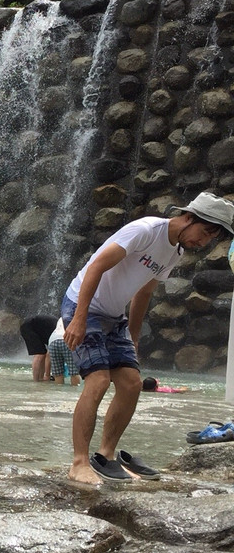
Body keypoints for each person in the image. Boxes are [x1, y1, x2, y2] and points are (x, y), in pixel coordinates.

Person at [62, 192, 234, 484]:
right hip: (84, 304)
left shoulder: (175, 251)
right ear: (188, 218)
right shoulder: (144, 231)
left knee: (131, 384)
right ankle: (79, 462)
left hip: (115, 316)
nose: (203, 243)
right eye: (204, 233)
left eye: (210, 239)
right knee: (99, 379)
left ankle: (105, 457)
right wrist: (79, 318)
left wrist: (134, 335)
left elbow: (144, 291)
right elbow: (96, 266)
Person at [19, 315, 57, 381]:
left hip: (35, 327)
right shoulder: (61, 334)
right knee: (40, 354)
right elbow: (49, 354)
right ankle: (36, 380)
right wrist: (48, 375)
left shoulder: (60, 328)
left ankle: (41, 378)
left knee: (42, 353)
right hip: (29, 327)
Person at [47, 319, 80, 386]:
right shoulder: (78, 315)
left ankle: (59, 392)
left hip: (53, 341)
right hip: (67, 339)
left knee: (58, 372)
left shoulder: (62, 317)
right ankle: (75, 391)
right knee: (74, 371)